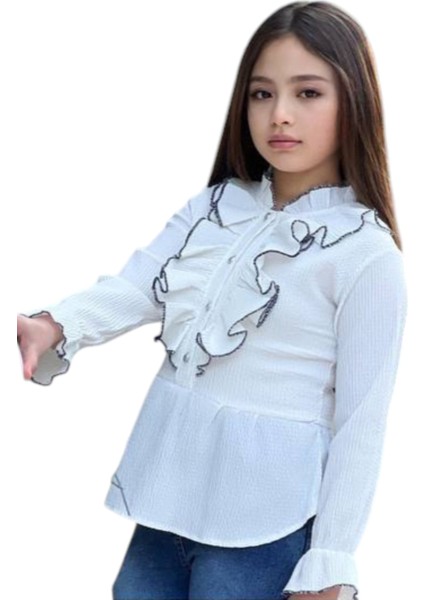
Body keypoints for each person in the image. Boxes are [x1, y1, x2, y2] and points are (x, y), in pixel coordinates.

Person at [16, 2, 408, 599]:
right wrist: (56, 324)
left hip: (266, 526)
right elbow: (141, 283)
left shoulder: (365, 255)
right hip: (167, 500)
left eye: (307, 93)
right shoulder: (217, 207)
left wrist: (329, 562)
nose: (279, 114)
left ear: (355, 100)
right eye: (261, 93)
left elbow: (362, 423)